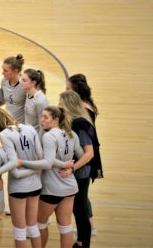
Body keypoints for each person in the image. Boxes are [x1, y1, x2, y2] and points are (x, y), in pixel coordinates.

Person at [18, 106, 84, 248]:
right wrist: (71, 167)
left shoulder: (49, 136)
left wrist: (58, 163)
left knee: (39, 224)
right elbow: (82, 155)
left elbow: (48, 162)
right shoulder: (71, 134)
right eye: (41, 116)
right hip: (70, 187)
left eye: (45, 117)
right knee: (65, 227)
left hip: (52, 188)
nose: (41, 120)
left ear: (56, 119)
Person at [0, 106, 42, 248]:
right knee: (33, 227)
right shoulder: (30, 128)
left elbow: (16, 172)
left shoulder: (5, 135)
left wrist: (30, 169)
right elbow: (41, 158)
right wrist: (36, 169)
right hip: (36, 185)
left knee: (20, 230)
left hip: (19, 187)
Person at [66, 74, 103, 236]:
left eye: (68, 89)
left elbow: (87, 142)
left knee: (81, 197)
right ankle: (89, 226)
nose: (66, 91)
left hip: (84, 153)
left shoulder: (82, 111)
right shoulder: (87, 104)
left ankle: (87, 228)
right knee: (82, 196)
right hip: (86, 149)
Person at [59, 91, 96, 248]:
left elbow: (89, 154)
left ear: (68, 105)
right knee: (78, 210)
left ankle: (84, 244)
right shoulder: (73, 121)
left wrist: (73, 168)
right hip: (77, 172)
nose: (58, 105)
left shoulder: (80, 124)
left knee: (80, 211)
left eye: (61, 103)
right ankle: (81, 241)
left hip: (80, 173)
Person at [20, 69, 49, 138]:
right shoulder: (28, 94)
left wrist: (39, 144)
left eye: (24, 80)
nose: (20, 82)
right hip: (27, 136)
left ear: (33, 83)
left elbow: (43, 126)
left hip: (35, 138)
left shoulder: (40, 101)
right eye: (21, 79)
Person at [1, 54, 26, 124]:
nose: (2, 73)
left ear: (16, 71)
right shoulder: (4, 81)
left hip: (21, 125)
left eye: (5, 70)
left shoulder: (24, 84)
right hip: (8, 123)